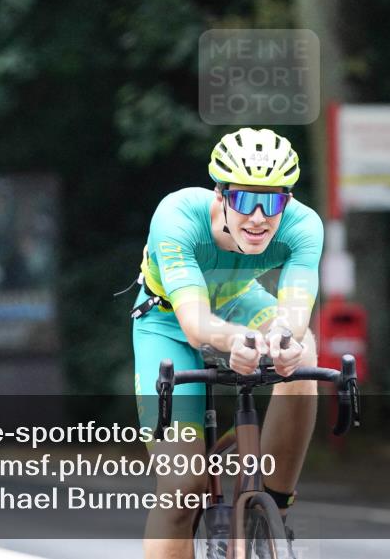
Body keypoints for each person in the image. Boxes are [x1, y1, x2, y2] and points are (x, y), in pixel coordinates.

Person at [131, 127, 324, 559]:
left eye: (271, 202)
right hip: (166, 321)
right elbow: (195, 324)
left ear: (288, 201)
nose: (257, 217)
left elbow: (295, 312)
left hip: (240, 302)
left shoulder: (304, 226)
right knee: (182, 488)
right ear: (220, 196)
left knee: (304, 351)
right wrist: (239, 339)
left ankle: (272, 512)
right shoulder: (178, 215)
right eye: (243, 199)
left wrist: (285, 341)